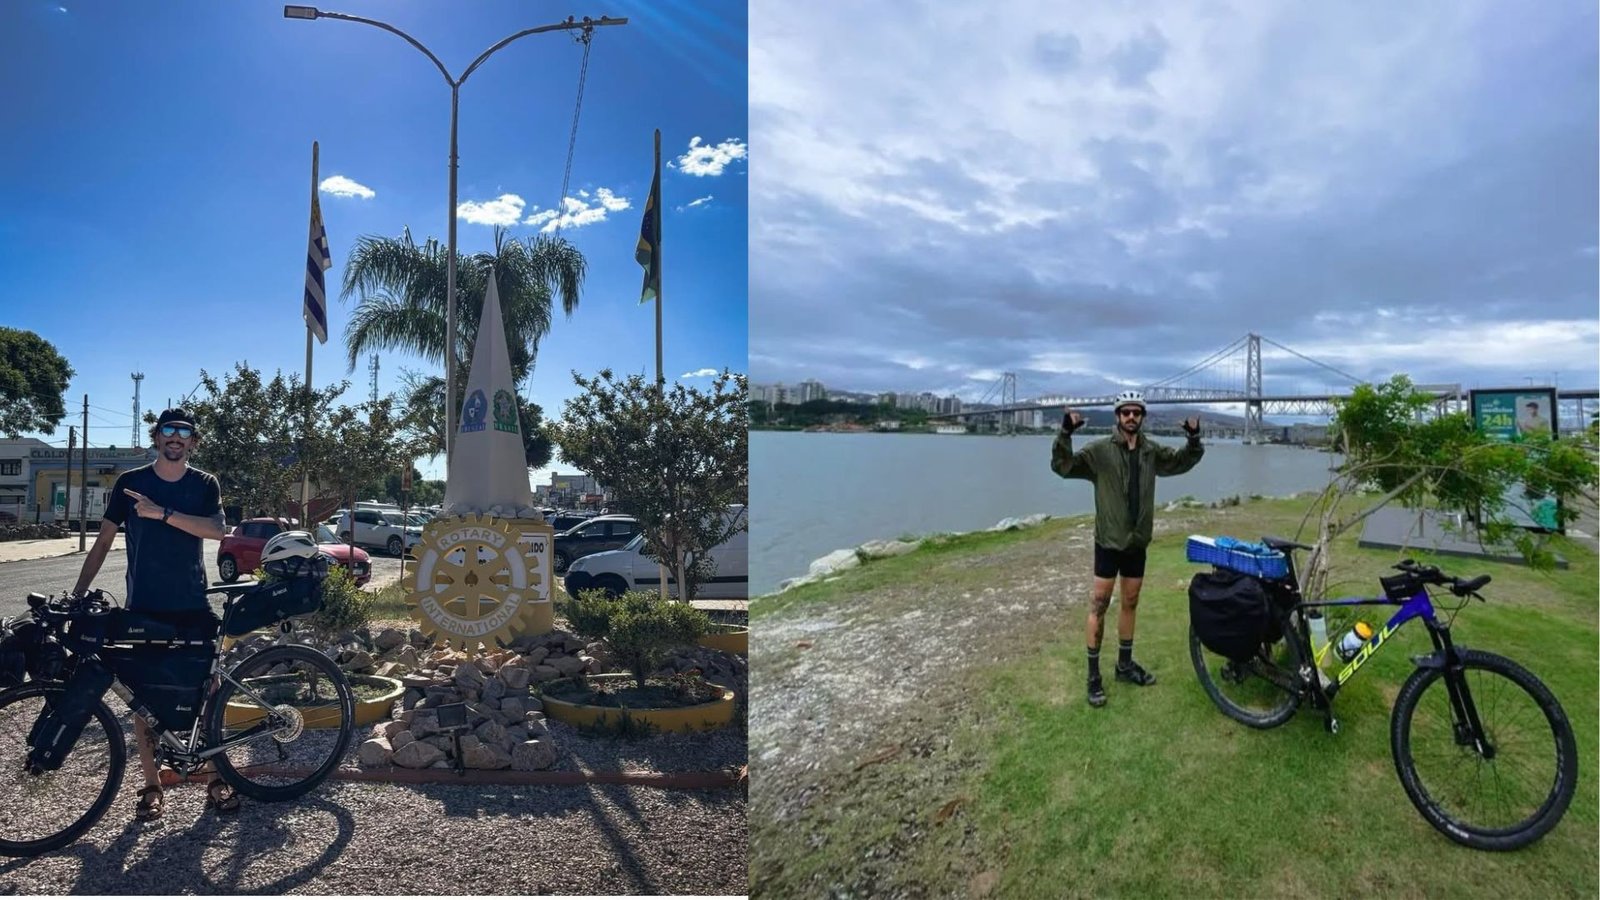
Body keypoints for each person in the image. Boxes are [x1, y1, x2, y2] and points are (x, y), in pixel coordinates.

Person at [71, 408, 232, 821]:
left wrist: (161, 513)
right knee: (141, 697)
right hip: (143, 604)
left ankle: (216, 779)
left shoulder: (204, 484)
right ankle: (151, 785)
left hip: (192, 603)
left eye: (184, 432)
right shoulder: (131, 484)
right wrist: (78, 594)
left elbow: (217, 530)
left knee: (208, 691)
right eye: (168, 430)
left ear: (193, 441)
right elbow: (103, 542)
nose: (176, 437)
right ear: (157, 437)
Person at [1050, 390, 1204, 708]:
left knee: (1130, 602)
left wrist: (1193, 439)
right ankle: (1093, 676)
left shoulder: (1151, 451)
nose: (1131, 417)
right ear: (1118, 416)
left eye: (1136, 412)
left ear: (1142, 416)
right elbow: (1063, 466)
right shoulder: (1099, 451)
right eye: (1125, 412)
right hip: (1108, 542)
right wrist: (1065, 433)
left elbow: (1180, 462)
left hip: (1137, 542)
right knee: (1099, 606)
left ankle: (1124, 665)